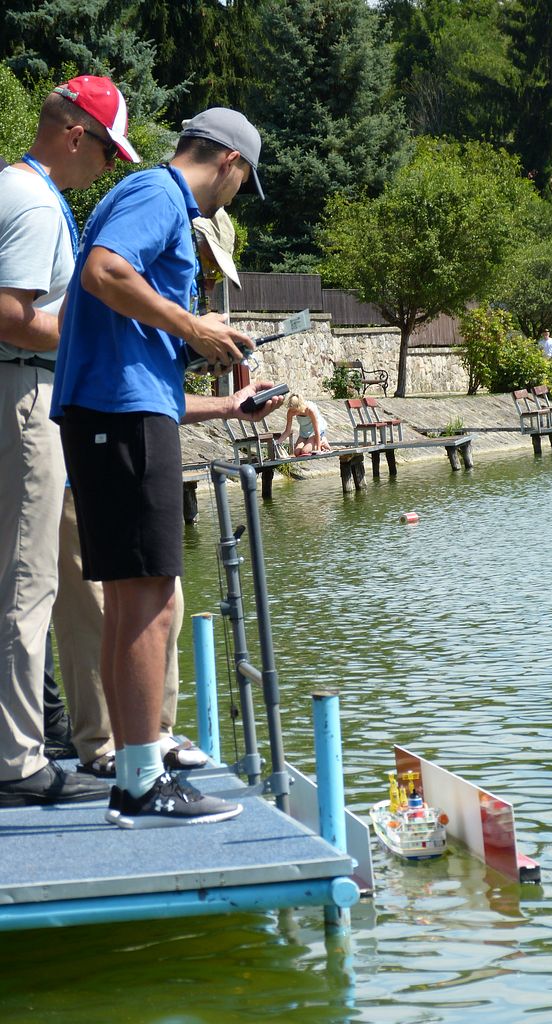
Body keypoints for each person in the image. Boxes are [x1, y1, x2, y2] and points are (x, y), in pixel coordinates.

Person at [51, 107, 284, 829]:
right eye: (243, 184)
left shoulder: (145, 195)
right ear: (231, 163)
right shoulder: (159, 194)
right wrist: (192, 325)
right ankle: (142, 781)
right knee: (149, 600)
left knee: (131, 601)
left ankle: (135, 769)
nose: (235, 197)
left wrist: (196, 350)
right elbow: (103, 271)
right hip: (121, 416)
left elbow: (115, 306)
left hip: (111, 414)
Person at [0, 75, 140, 806]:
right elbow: (8, 313)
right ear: (75, 134)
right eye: (109, 152)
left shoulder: (13, 188)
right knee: (28, 587)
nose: (110, 168)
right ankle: (18, 763)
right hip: (24, 391)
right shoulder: (32, 200)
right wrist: (90, 331)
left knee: (24, 582)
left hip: (20, 390)